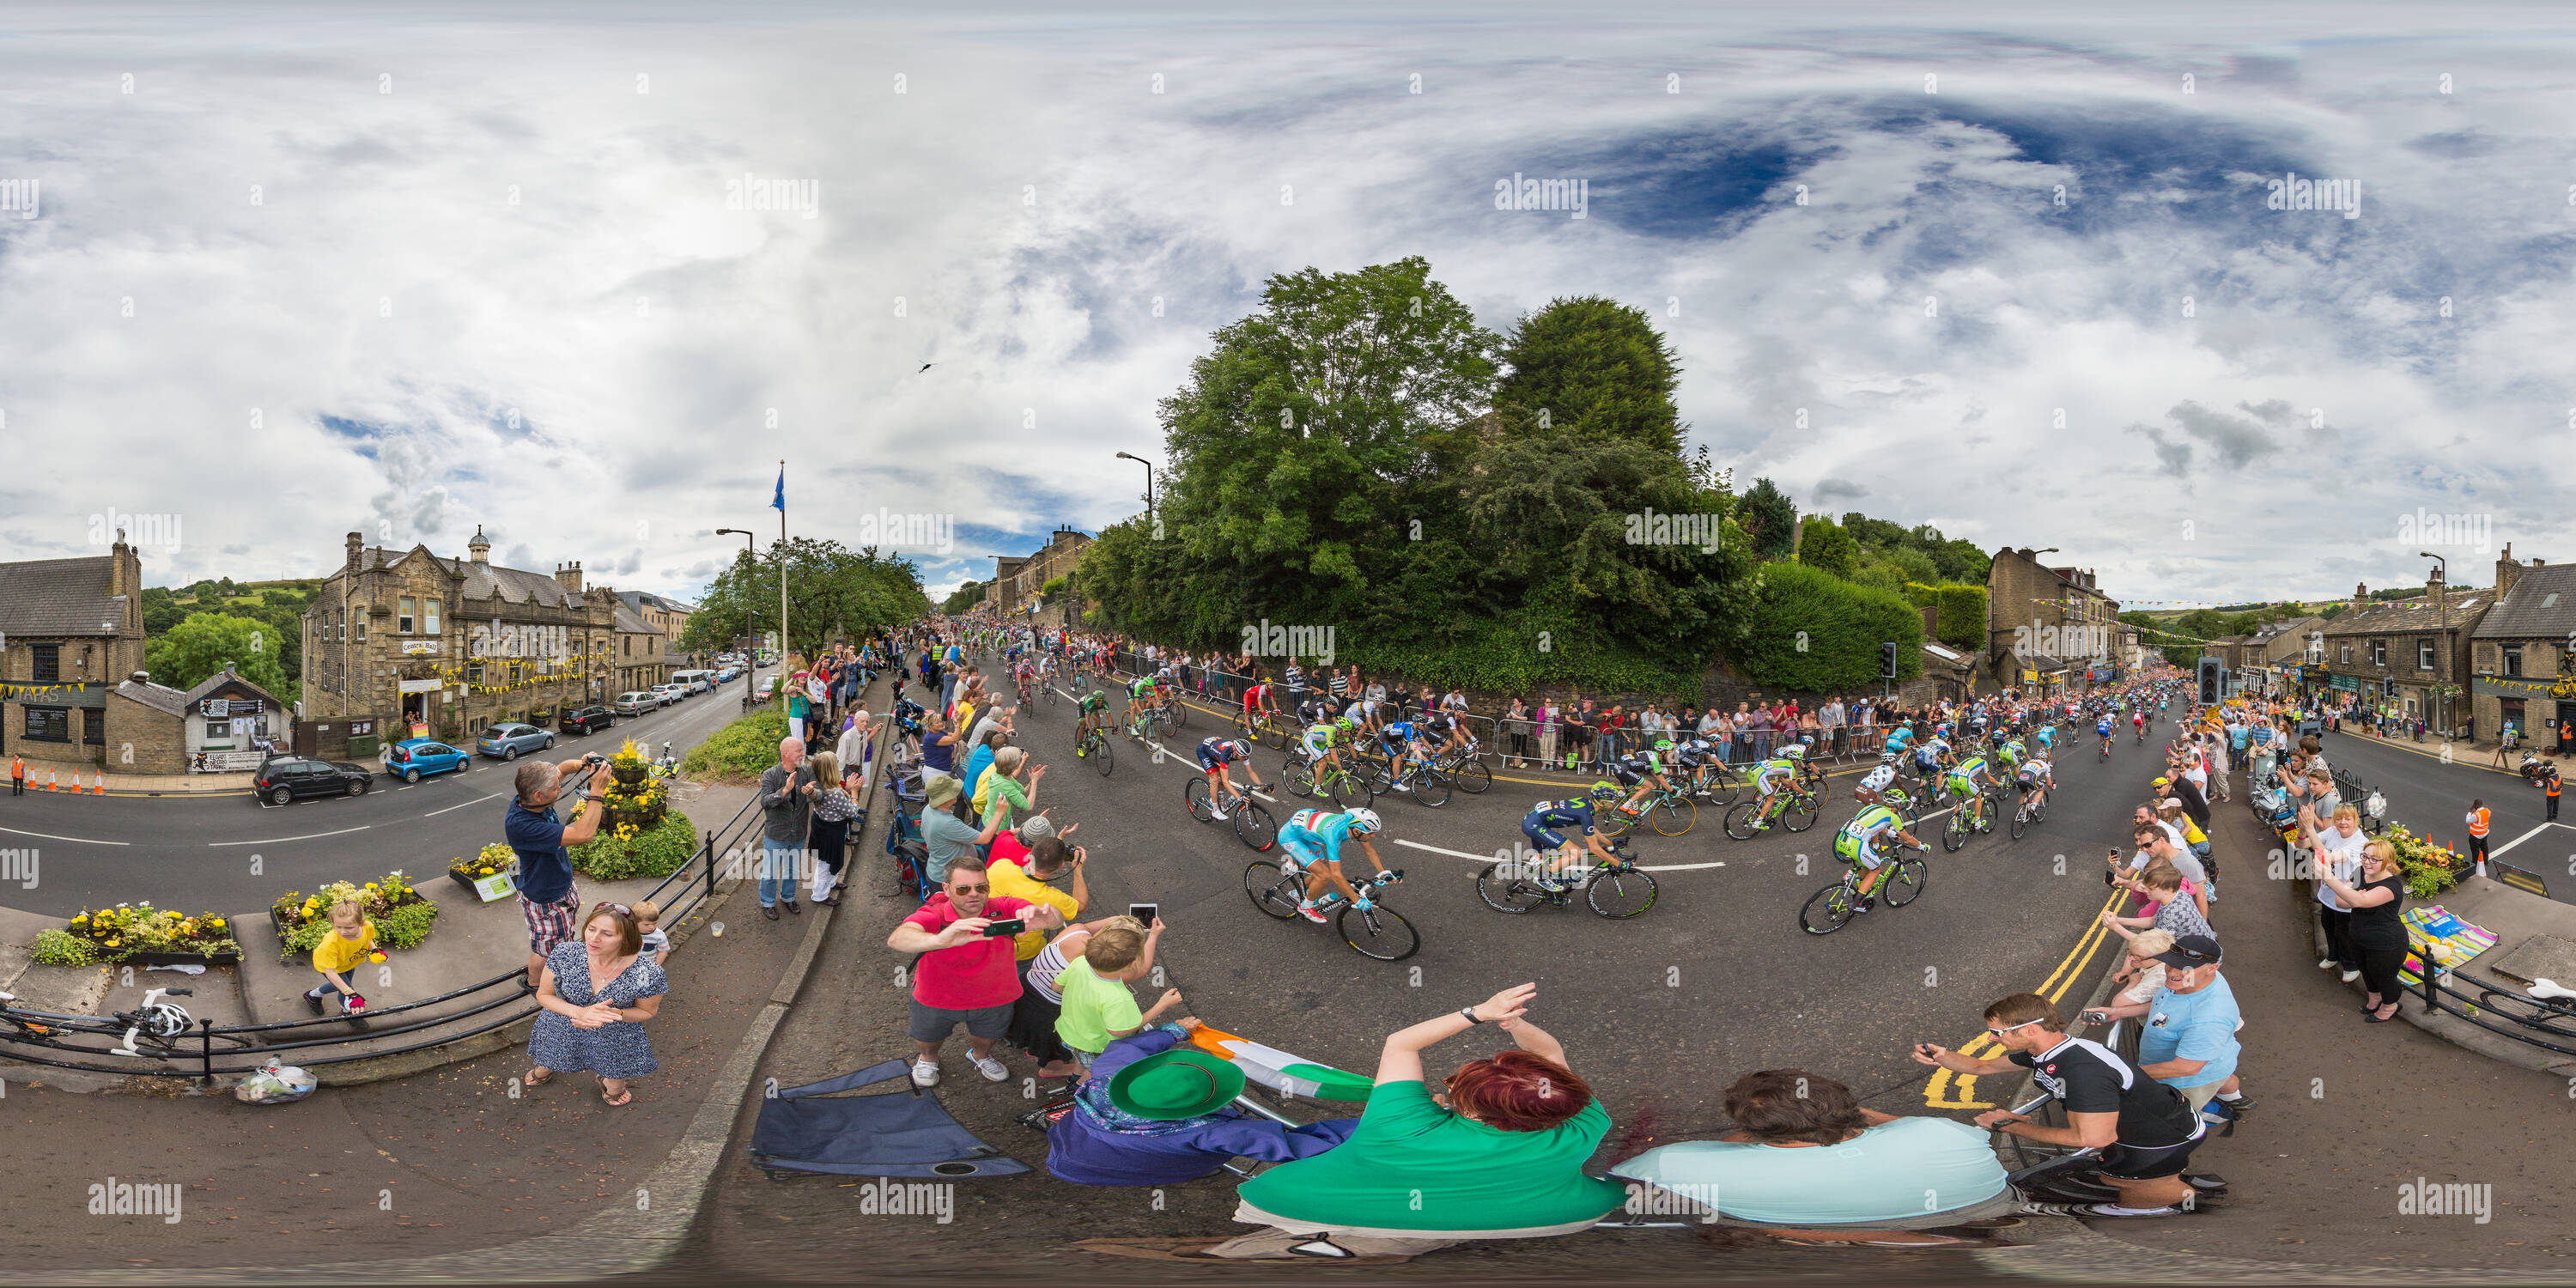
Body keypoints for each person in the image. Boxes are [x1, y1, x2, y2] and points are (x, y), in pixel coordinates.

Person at [1206, 983, 1626, 1260]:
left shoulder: (1400, 1122)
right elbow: (1552, 1059)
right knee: (1397, 1241)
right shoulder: (1583, 1119)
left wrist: (1480, 1012)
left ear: (1472, 1110)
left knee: (1252, 1255)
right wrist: (1517, 1029)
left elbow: (1401, 1042)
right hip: (1533, 1216)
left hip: (1304, 1204)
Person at [1609, 1068, 2012, 1245]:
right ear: (1853, 1110)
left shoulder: (1671, 1163)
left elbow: (1622, 1181)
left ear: (1754, 1129)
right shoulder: (1943, 1133)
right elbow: (1915, 1129)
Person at [1913, 993, 2206, 1218]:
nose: (1991, 1038)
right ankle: (2169, 1193)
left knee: (2135, 1184)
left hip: (2161, 1138)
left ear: (2029, 1030)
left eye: (1998, 1032)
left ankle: (2168, 1209)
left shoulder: (2082, 1071)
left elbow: (2094, 1138)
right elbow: (1981, 1066)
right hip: (2139, 1127)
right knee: (2112, 1174)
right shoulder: (2043, 1050)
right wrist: (1941, 1055)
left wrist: (2009, 1125)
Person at [1046, 1019, 1360, 1187]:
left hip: (1073, 1145)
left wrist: (1174, 1031)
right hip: (1128, 1164)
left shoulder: (1107, 1078)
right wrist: (1378, 1124)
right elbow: (1296, 1145)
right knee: (1180, 1165)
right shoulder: (1205, 1132)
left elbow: (1123, 1048)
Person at [890, 861, 1064, 1087]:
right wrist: (939, 940)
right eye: (963, 889)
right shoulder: (935, 913)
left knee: (989, 1034)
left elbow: (1056, 919)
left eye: (981, 888)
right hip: (937, 997)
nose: (974, 894)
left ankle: (980, 1055)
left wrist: (1045, 914)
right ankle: (928, 1059)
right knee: (928, 1037)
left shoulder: (1004, 907)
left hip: (994, 996)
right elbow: (898, 938)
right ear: (946, 888)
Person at [525, 903, 668, 1108]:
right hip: (564, 1021)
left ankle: (612, 1085)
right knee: (552, 1053)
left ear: (626, 938)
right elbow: (544, 994)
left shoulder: (649, 973)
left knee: (615, 1072)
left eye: (607, 934)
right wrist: (581, 1012)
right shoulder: (566, 953)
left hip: (614, 1033)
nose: (593, 938)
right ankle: (544, 1069)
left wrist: (613, 1013)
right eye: (591, 929)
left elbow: (647, 1011)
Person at [505, 755, 611, 988]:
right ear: (538, 796)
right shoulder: (524, 826)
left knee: (560, 941)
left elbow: (562, 768)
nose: (560, 788)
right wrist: (597, 790)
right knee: (545, 950)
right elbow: (583, 834)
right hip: (546, 898)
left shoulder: (529, 796)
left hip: (559, 886)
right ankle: (534, 986)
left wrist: (582, 764)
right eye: (556, 788)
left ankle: (559, 964)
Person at [1054, 920, 1182, 1068]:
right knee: (1096, 1071)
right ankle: (1079, 1085)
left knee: (1083, 1063)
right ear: (1131, 963)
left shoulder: (1080, 962)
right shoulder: (1118, 998)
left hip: (1068, 1032)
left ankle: (1077, 1078)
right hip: (1095, 1048)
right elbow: (1120, 1030)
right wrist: (1162, 1004)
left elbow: (1056, 986)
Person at [2322, 837, 2409, 1022]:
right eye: (2365, 856)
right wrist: (2351, 895)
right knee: (2366, 970)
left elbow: (2357, 901)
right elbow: (2340, 901)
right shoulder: (2360, 872)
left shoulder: (2391, 886)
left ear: (2389, 862)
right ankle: (2374, 998)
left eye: (2374, 859)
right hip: (2358, 937)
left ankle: (2390, 1005)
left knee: (2383, 975)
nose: (2367, 862)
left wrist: (2350, 893)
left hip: (2386, 943)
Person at [2308, 803, 2368, 982]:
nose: (2343, 822)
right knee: (2328, 924)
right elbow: (2307, 842)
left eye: (2348, 819)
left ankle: (2351, 965)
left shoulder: (2360, 843)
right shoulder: (2333, 831)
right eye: (2339, 818)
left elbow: (2328, 857)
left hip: (2346, 894)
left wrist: (2310, 826)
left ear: (2355, 820)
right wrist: (2305, 830)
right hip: (2328, 893)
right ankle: (2333, 956)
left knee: (2344, 932)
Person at [756, 737, 815, 920]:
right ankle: (768, 903)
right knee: (770, 872)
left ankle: (788, 897)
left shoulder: (806, 771)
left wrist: (812, 793)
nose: (803, 753)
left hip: (797, 833)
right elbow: (765, 802)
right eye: (799, 750)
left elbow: (820, 793)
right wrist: (784, 791)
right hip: (777, 835)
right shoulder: (770, 775)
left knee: (792, 870)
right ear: (786, 754)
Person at [805, 750, 860, 907]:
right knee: (826, 863)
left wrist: (847, 789)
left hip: (821, 826)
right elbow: (852, 812)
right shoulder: (835, 793)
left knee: (828, 860)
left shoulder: (821, 786)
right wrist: (854, 793)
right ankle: (820, 895)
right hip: (832, 831)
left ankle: (831, 883)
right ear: (831, 769)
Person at [303, 898, 377, 1017]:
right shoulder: (331, 943)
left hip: (349, 962)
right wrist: (352, 994)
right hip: (331, 966)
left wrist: (374, 949)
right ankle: (347, 1012)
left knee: (341, 985)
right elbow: (331, 973)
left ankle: (312, 995)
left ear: (361, 923)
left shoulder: (368, 927)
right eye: (338, 927)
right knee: (346, 989)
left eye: (349, 928)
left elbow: (368, 938)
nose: (343, 932)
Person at [633, 898, 670, 966]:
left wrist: (656, 966)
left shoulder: (659, 935)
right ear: (635, 922)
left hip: (648, 966)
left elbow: (663, 951)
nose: (652, 927)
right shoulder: (630, 932)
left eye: (655, 923)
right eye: (647, 925)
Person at [2465, 798, 2491, 867]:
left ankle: (2475, 863)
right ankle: (2486, 861)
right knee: (2484, 847)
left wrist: (2470, 811)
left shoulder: (2476, 815)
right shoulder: (2488, 811)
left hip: (2476, 836)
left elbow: (2468, 821)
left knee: (2475, 850)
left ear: (2476, 805)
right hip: (2485, 833)